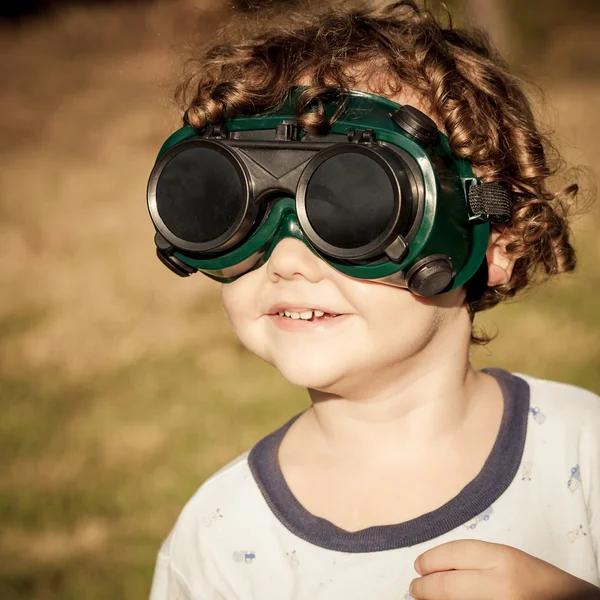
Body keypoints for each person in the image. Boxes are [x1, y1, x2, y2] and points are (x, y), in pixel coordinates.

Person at [147, 1, 600, 598]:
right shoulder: (219, 538)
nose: (285, 260)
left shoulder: (584, 452)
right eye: (237, 204)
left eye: (355, 205)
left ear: (496, 240)